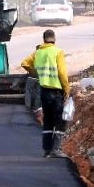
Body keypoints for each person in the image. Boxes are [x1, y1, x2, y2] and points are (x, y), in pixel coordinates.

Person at [21, 29, 70, 158]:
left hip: (44, 91)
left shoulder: (38, 52)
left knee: (48, 120)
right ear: (54, 39)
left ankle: (47, 149)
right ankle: (56, 149)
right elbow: (62, 73)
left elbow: (24, 63)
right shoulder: (58, 52)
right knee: (60, 120)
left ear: (44, 39)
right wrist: (67, 89)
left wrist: (35, 73)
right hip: (56, 91)